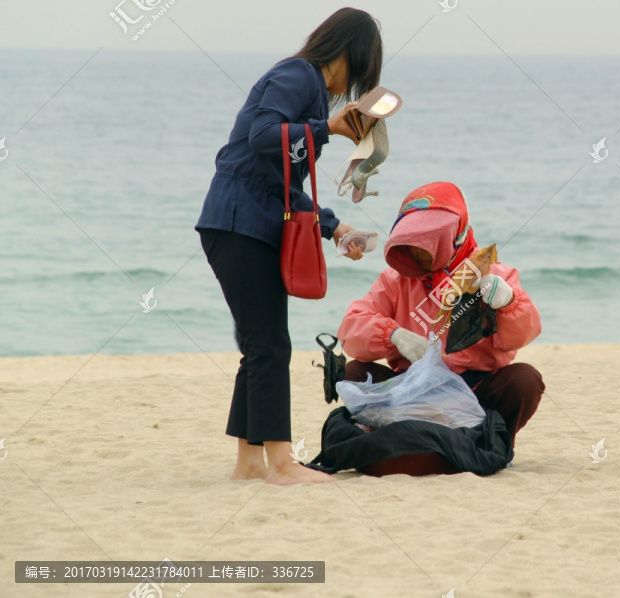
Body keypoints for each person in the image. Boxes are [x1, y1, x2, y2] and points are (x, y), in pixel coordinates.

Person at [195, 8, 383, 485]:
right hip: (239, 223)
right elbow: (261, 138)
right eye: (359, 73)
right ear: (348, 54)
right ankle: (281, 464)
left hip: (245, 221)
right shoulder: (297, 74)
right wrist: (329, 128)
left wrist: (336, 228)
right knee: (271, 345)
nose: (351, 87)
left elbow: (283, 185)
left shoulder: (313, 95)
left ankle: (250, 463)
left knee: (261, 346)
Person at [337, 181, 544, 475]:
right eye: (412, 244)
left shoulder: (494, 274)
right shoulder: (396, 280)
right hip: (413, 389)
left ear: (452, 236)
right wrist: (393, 335)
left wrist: (508, 302)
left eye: (427, 244)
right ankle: (393, 440)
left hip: (474, 390)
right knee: (355, 372)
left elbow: (525, 333)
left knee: (524, 380)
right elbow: (350, 327)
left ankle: (496, 443)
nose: (418, 253)